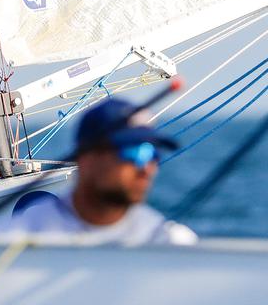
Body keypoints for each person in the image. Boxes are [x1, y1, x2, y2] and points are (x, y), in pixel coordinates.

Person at [10, 97, 197, 246]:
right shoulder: (14, 241)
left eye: (153, 155)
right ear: (87, 158)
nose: (147, 169)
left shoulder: (171, 243)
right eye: (135, 153)